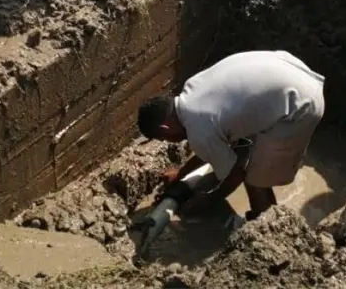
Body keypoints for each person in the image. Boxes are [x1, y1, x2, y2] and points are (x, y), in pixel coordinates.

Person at [137, 50, 325, 220]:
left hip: (299, 106)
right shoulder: (192, 89)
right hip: (292, 71)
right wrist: (181, 174)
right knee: (252, 162)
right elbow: (210, 150)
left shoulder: (200, 129)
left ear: (165, 128)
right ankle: (267, 217)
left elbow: (236, 175)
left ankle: (264, 228)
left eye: (163, 138)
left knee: (255, 181)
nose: (169, 141)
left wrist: (209, 200)